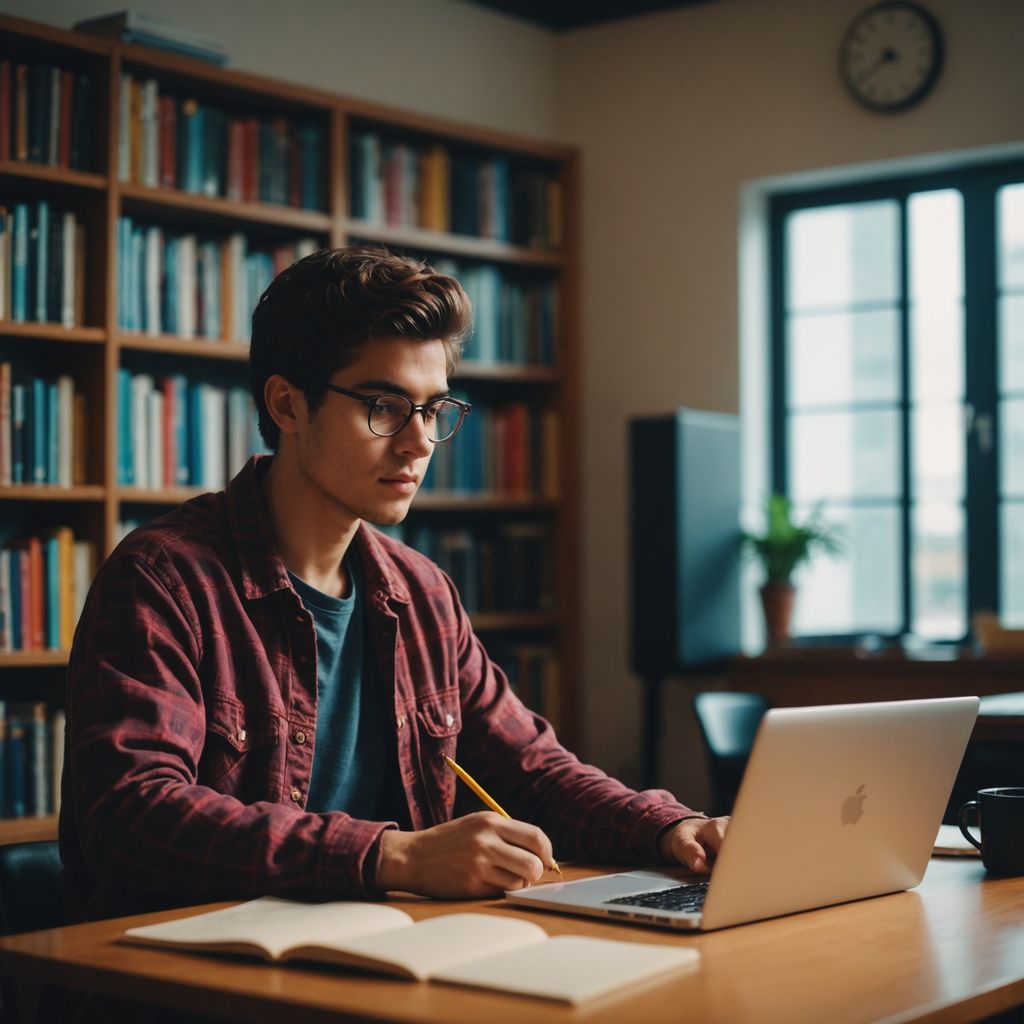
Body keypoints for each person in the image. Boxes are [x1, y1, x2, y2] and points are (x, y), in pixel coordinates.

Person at [60, 245, 728, 925]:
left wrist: (669, 827)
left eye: (434, 409)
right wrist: (393, 857)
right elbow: (129, 815)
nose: (418, 443)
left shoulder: (419, 592)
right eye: (383, 406)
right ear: (288, 404)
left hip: (380, 950)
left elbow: (530, 767)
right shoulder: (165, 578)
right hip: (187, 972)